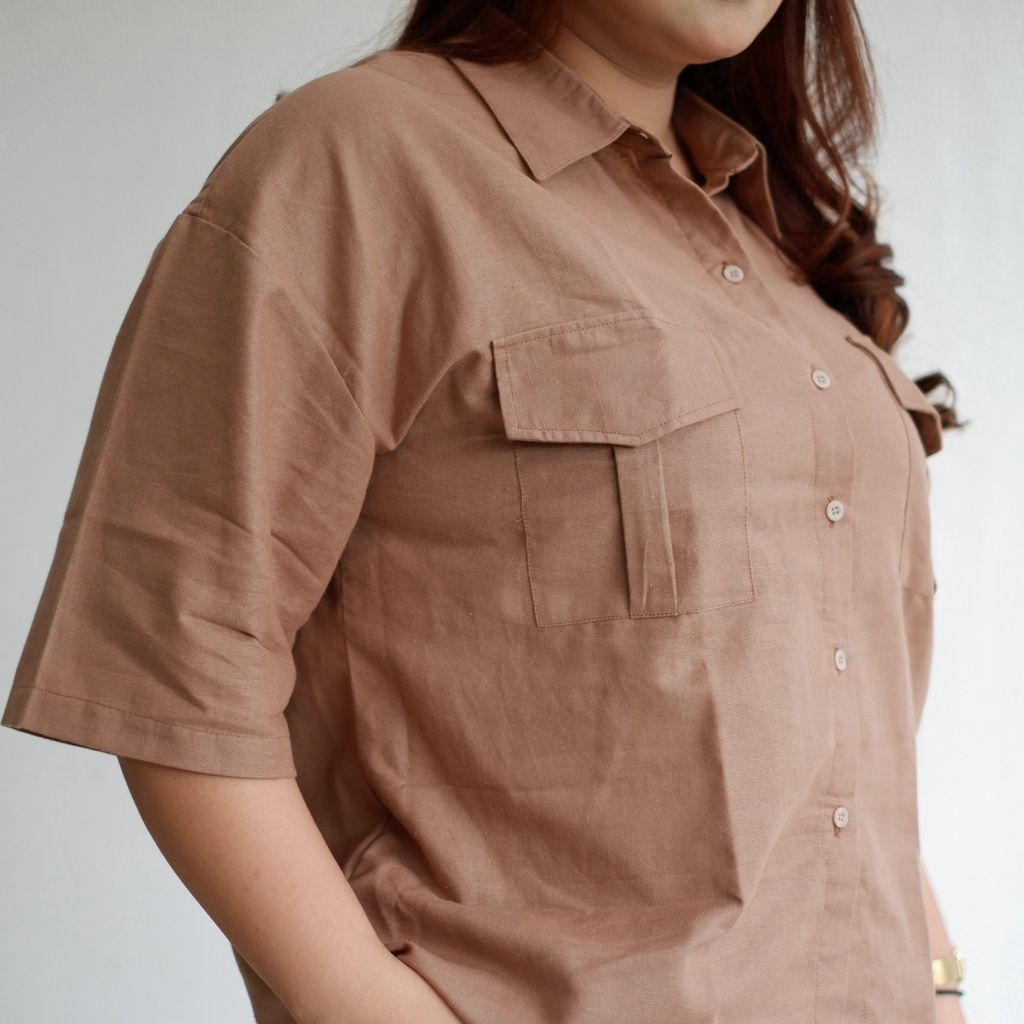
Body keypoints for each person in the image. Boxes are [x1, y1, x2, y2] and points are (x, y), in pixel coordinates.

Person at [2, 1, 969, 1021]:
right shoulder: (360, 158)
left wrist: (941, 983)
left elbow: (846, 726)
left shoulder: (774, 232)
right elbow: (175, 662)